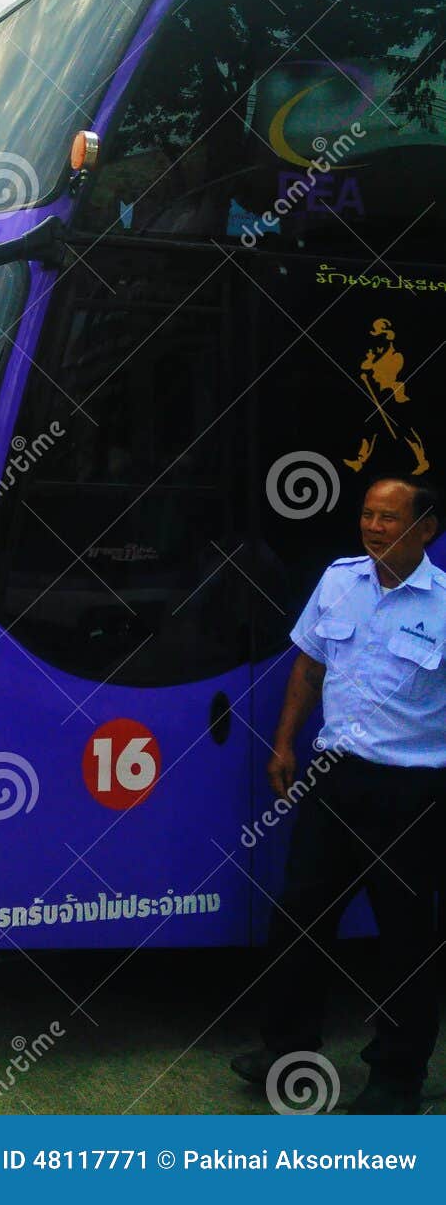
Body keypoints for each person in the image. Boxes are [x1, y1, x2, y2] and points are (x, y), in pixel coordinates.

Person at [232, 475, 446, 1114]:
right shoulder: (338, 581)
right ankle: (286, 1050)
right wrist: (284, 743)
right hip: (333, 779)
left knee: (406, 939)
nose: (374, 528)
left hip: (412, 792)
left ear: (426, 529)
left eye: (390, 518)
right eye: (368, 515)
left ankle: (396, 1080)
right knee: (300, 916)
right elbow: (308, 664)